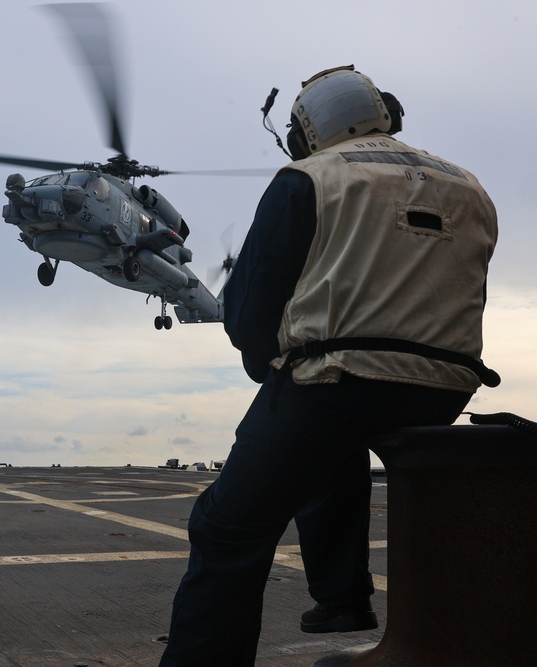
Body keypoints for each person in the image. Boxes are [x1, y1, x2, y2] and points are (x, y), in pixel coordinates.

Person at [159, 67, 498, 665]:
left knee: (227, 527)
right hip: (446, 388)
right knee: (330, 444)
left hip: (335, 381)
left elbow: (247, 313)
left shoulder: (307, 179)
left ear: (307, 132)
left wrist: (265, 361)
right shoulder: (470, 186)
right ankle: (341, 596)